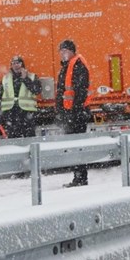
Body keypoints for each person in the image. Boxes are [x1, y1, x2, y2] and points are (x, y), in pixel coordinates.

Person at [55, 40, 91, 188]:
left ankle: (80, 178)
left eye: (65, 51)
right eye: (61, 51)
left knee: (77, 146)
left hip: (76, 113)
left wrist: (74, 111)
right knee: (75, 145)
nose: (62, 54)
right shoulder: (68, 65)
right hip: (71, 113)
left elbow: (80, 90)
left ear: (72, 51)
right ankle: (79, 177)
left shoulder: (77, 64)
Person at [0, 55, 42, 138]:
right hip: (11, 114)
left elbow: (37, 90)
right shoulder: (5, 78)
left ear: (22, 65)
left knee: (29, 139)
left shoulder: (32, 76)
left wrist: (25, 79)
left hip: (27, 114)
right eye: (13, 63)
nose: (16, 65)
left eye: (18, 63)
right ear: (11, 65)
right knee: (13, 140)